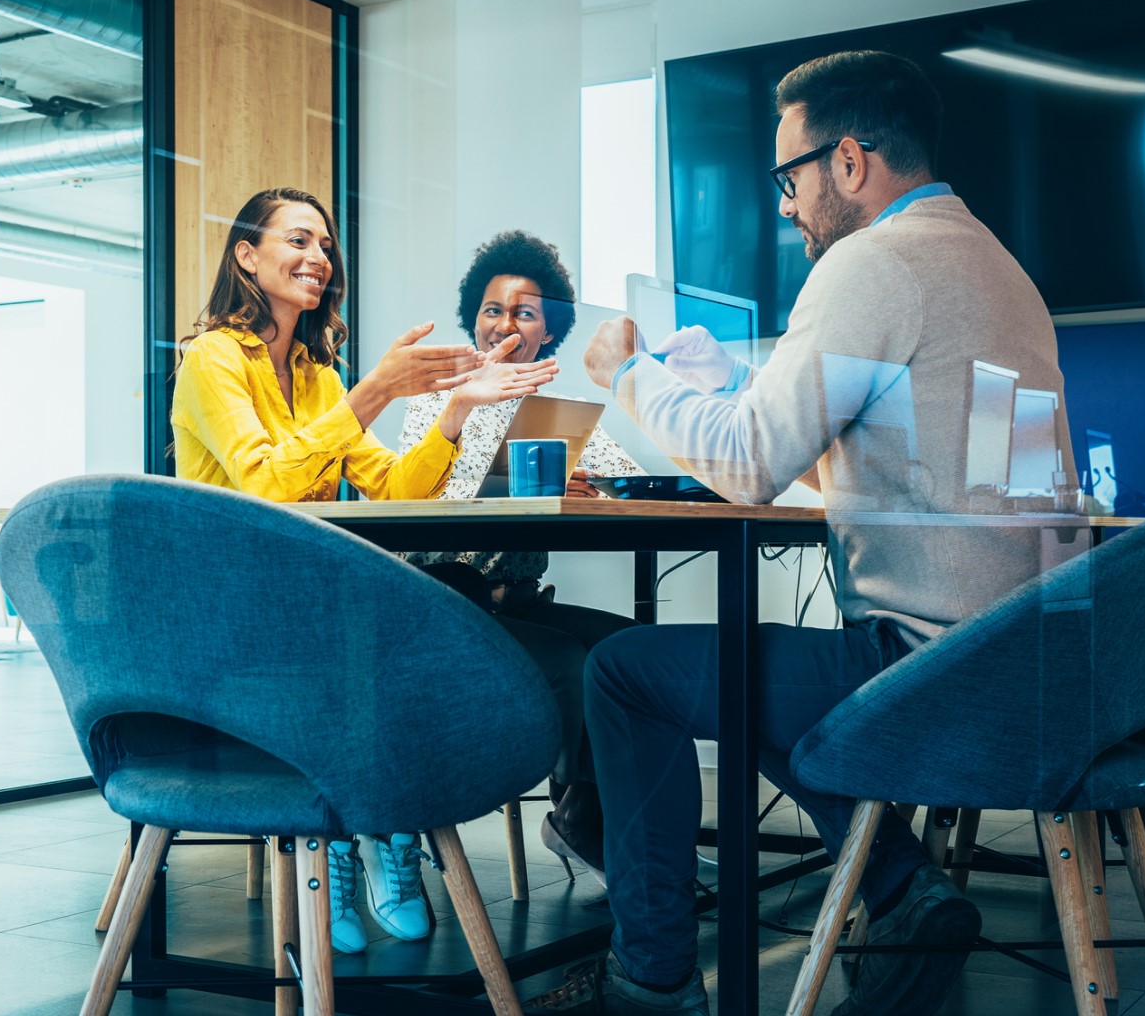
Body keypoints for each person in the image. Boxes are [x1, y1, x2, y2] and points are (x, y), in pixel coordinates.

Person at [549, 51, 1073, 1015]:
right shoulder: (996, 268)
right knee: (766, 668)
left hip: (932, 671)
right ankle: (902, 888)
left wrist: (630, 374)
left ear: (848, 162)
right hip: (1027, 663)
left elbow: (750, 465)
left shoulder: (871, 262)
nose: (785, 203)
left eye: (789, 176)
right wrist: (726, 391)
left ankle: (650, 980)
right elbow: (922, 440)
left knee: (625, 673)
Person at [171, 187, 558, 955]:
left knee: (439, 602)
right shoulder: (212, 358)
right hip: (236, 609)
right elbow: (263, 484)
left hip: (310, 597)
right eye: (298, 241)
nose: (319, 258)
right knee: (398, 624)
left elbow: (396, 487)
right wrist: (377, 388)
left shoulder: (317, 374)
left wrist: (452, 412)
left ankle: (372, 829)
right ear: (246, 256)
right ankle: (367, 829)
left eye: (325, 246)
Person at [397, 230, 644, 897]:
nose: (505, 323)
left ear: (549, 333)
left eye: (524, 312)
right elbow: (431, 500)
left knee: (633, 647)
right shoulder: (437, 402)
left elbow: (623, 483)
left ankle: (597, 816)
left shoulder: (554, 413)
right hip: (448, 603)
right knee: (574, 665)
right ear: (473, 320)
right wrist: (529, 485)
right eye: (492, 309)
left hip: (521, 601)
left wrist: (597, 484)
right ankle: (578, 816)